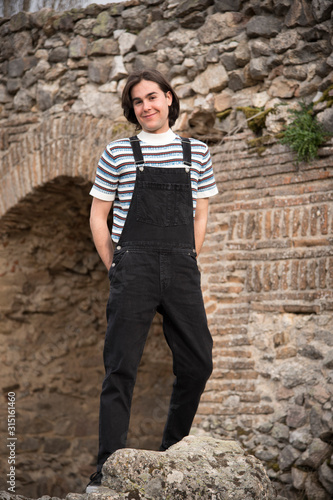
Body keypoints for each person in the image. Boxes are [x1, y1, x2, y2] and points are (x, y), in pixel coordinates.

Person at [86, 69, 218, 492]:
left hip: (181, 267)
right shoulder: (118, 153)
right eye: (138, 102)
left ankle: (173, 451)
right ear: (133, 110)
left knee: (198, 363)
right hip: (134, 267)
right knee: (120, 368)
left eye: (152, 98)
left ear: (168, 98)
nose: (146, 106)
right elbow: (98, 216)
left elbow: (201, 213)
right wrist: (116, 265)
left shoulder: (195, 152)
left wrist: (189, 256)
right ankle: (106, 468)